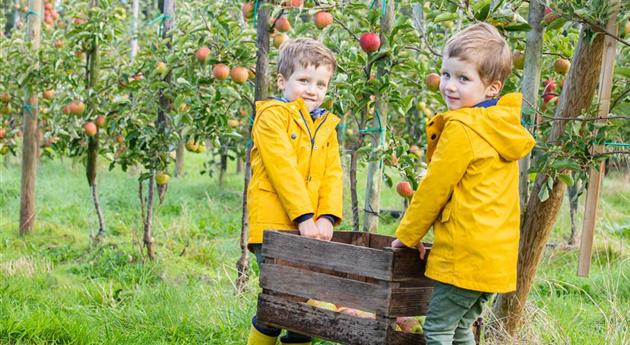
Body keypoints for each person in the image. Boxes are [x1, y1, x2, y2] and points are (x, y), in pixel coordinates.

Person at [391, 22, 536, 345]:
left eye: (463, 78)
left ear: (492, 88)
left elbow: (433, 189)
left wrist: (407, 235)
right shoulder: (500, 126)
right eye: (445, 74)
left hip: (464, 255)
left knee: (438, 330)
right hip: (495, 260)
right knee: (459, 329)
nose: (449, 86)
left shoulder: (462, 127)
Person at [246, 38, 343, 345]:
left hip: (312, 229)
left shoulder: (326, 125)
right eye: (304, 81)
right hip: (275, 226)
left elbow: (333, 174)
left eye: (321, 84)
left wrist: (327, 216)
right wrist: (303, 217)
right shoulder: (271, 116)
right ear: (281, 80)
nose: (313, 90)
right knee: (282, 299)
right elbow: (282, 169)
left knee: (306, 300)